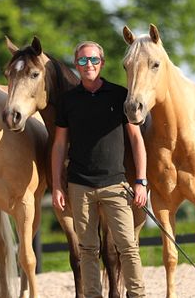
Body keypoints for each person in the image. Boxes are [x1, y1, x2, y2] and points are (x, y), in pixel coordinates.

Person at [51, 40, 148, 298]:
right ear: (77, 65)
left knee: (127, 247)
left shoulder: (119, 95)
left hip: (115, 185)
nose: (88, 65)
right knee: (87, 249)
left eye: (93, 60)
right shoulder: (68, 101)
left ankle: (137, 295)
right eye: (83, 61)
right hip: (80, 186)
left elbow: (137, 140)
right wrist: (58, 186)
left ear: (102, 63)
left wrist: (141, 181)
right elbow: (59, 145)